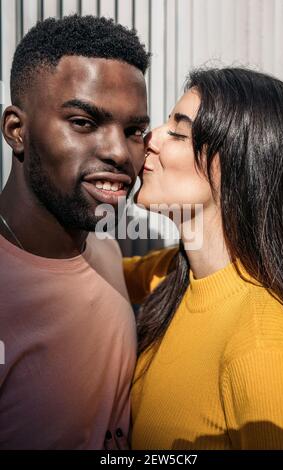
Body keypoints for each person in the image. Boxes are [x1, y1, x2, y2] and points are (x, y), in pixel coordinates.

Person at [123, 68, 283, 449]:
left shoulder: (264, 346)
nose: (149, 139)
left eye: (178, 132)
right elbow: (77, 273)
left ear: (236, 164)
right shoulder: (172, 274)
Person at [0, 14, 150, 449]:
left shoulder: (103, 248)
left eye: (134, 131)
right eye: (84, 122)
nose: (120, 153)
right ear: (17, 130)